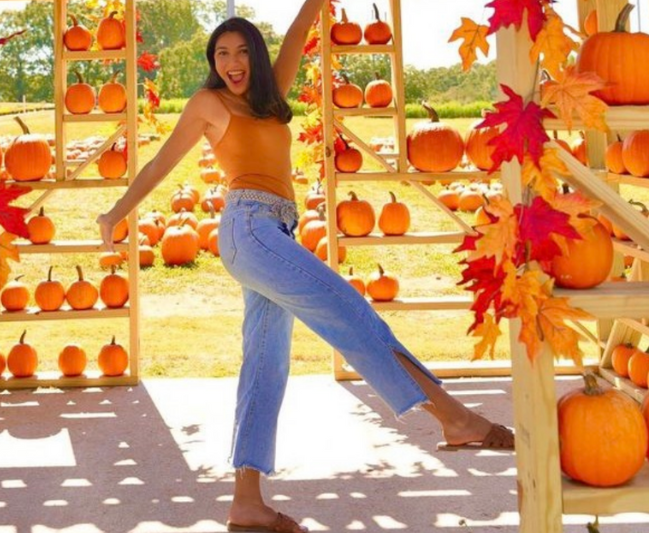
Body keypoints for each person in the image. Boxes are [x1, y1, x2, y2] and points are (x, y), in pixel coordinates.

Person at [97, 1, 514, 531]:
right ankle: (453, 417)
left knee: (265, 367)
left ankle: (246, 502)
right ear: (213, 62)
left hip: (276, 231)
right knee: (350, 310)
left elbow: (297, 31)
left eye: (243, 50)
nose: (232, 61)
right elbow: (160, 161)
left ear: (256, 58)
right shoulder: (208, 102)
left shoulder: (271, 101)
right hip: (248, 229)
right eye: (222, 53)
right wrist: (117, 212)